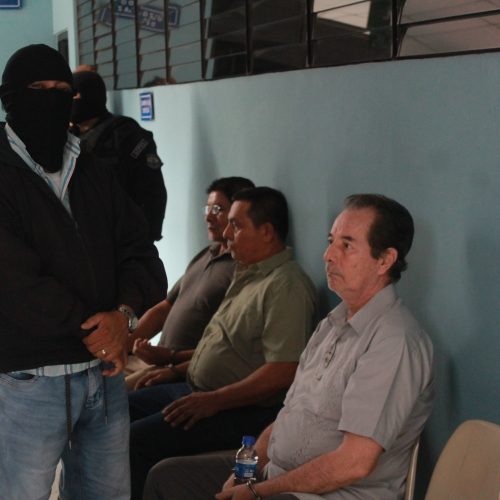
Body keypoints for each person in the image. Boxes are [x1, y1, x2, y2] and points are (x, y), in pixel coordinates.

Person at [142, 194, 435, 500]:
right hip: (278, 477)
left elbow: (354, 463)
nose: (328, 255)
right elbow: (288, 416)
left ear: (385, 260)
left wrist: (256, 491)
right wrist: (244, 472)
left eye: (347, 246)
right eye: (331, 242)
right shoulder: (331, 325)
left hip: (333, 494)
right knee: (166, 478)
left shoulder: (394, 341)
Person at [0, 44, 167, 500]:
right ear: (10, 98)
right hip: (28, 381)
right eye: (38, 89)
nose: (51, 99)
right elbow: (16, 282)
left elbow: (141, 252)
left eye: (62, 90)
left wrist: (124, 316)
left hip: (103, 378)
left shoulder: (92, 168)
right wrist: (99, 330)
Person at [129, 187, 317, 499]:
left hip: (239, 409)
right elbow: (225, 350)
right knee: (118, 410)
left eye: (236, 225)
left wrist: (214, 401)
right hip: (198, 391)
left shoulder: (285, 286)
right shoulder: (248, 274)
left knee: (135, 441)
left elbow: (282, 371)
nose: (227, 234)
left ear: (267, 232)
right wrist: (175, 369)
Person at [126, 176, 255, 390]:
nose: (208, 217)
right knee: (96, 374)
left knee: (108, 397)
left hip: (179, 368)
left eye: (217, 209)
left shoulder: (242, 268)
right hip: (150, 359)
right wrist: (125, 346)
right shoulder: (206, 254)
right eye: (207, 209)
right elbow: (164, 308)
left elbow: (227, 347)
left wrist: (171, 360)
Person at [70, 70, 167, 242]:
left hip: (122, 237)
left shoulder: (127, 135)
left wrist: (146, 237)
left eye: (74, 94)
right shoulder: (69, 137)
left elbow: (152, 191)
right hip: (84, 235)